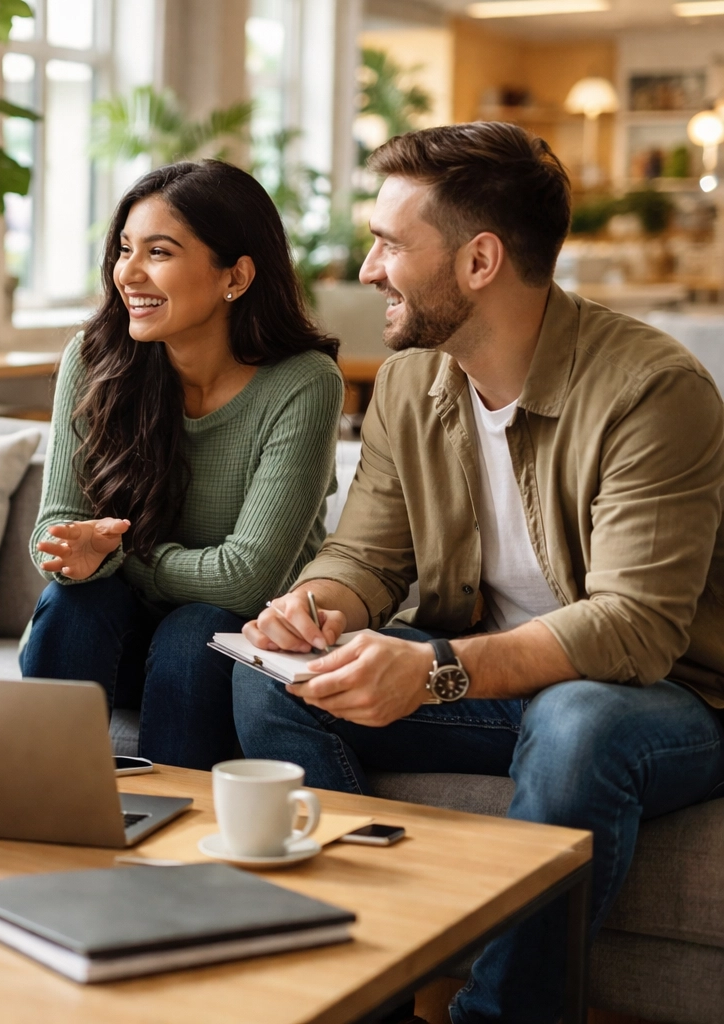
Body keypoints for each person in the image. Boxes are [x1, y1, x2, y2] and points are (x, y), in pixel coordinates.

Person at [234, 122, 724, 1024]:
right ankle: (358, 998)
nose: (368, 267)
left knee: (580, 719)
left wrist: (434, 669)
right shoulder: (409, 381)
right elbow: (368, 556)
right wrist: (316, 609)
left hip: (663, 699)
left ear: (480, 260)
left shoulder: (653, 391)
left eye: (389, 243)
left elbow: (636, 627)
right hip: (494, 684)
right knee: (276, 686)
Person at [19, 160, 344, 769]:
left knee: (195, 629)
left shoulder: (304, 383)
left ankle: (177, 839)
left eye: (159, 252)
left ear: (237, 276)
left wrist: (114, 555)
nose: (128, 274)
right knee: (74, 605)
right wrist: (75, 552)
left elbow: (248, 578)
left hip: (219, 650)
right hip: (109, 648)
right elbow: (53, 536)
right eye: (123, 250)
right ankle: (39, 804)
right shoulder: (93, 359)